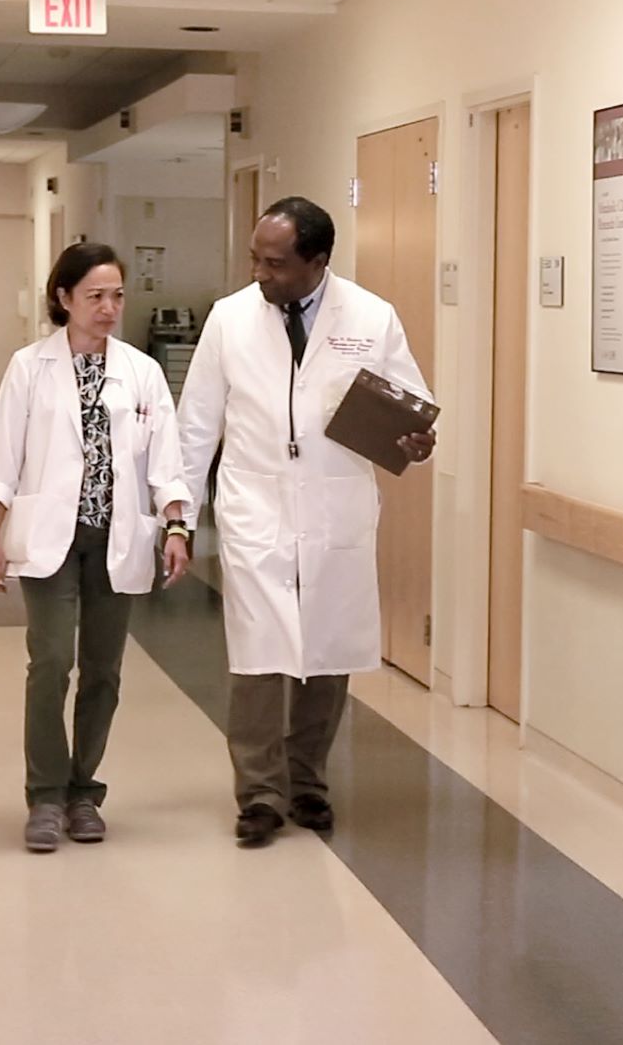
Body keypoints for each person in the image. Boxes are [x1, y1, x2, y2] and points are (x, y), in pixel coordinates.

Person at [177, 197, 435, 848]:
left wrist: (415, 441)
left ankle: (308, 782)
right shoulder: (230, 319)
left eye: (274, 262)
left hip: (334, 502)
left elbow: (409, 404)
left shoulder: (372, 317)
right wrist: (178, 512)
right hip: (255, 504)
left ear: (318, 261)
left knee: (325, 651)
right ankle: (259, 794)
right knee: (260, 653)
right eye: (254, 259)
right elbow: (197, 422)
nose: (259, 273)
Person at [0, 242, 193, 853]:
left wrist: (176, 526)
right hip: (50, 535)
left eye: (117, 295)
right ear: (64, 298)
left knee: (104, 671)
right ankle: (44, 796)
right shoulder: (29, 367)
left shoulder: (142, 372)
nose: (108, 308)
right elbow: (3, 458)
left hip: (115, 536)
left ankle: (82, 791)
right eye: (94, 296)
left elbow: (164, 460)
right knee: (49, 664)